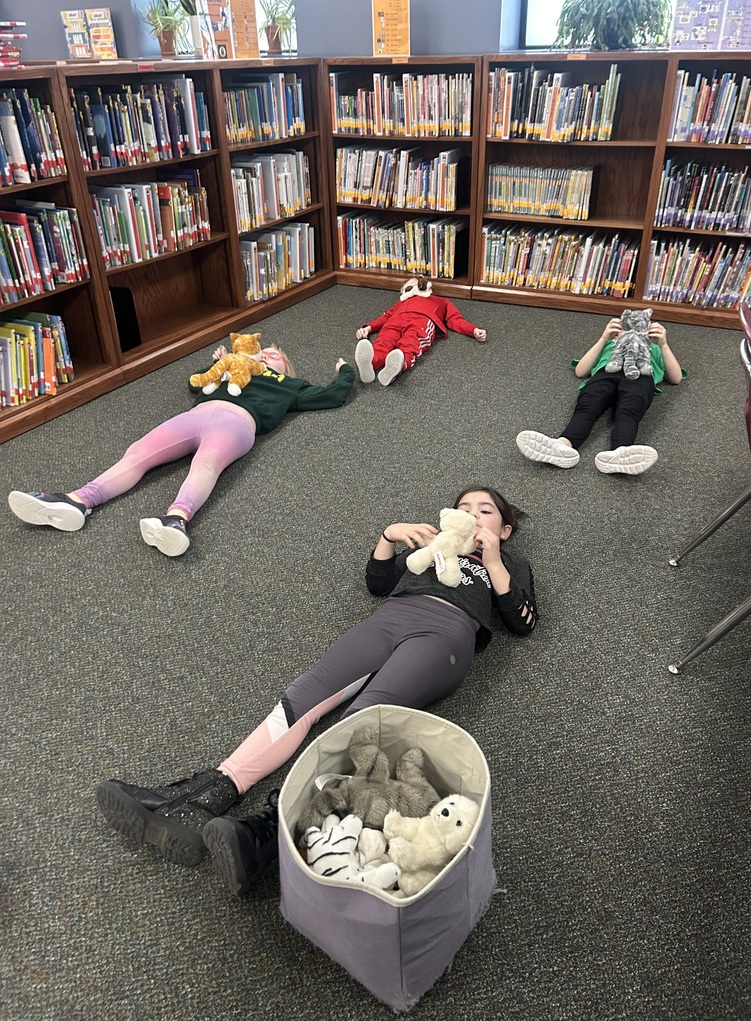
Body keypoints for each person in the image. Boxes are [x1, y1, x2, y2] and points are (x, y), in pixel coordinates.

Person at [95, 486, 538, 896]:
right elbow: (378, 584)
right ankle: (205, 796)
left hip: (446, 633)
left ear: (504, 529)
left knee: (364, 718)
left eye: (485, 512)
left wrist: (494, 560)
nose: (471, 516)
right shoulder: (428, 545)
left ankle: (271, 835)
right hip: (390, 618)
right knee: (305, 694)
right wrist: (390, 535)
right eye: (462, 509)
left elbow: (523, 622)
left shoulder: (509, 563)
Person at [7, 343, 354, 557]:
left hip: (236, 423)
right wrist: (215, 364)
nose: (265, 355)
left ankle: (177, 520)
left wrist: (344, 371)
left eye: (274, 355)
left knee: (206, 465)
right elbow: (195, 383)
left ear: (286, 368)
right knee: (138, 452)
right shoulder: (228, 374)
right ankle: (78, 500)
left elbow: (332, 395)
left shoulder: (290, 386)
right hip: (196, 415)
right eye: (260, 353)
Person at [516, 316, 684, 476]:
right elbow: (581, 370)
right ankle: (563, 445)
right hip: (607, 373)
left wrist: (663, 344)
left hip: (639, 374)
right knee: (587, 407)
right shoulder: (610, 344)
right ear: (617, 333)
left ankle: (620, 452)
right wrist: (604, 338)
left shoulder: (653, 348)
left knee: (629, 411)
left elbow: (675, 378)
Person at [354, 275, 488, 386]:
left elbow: (455, 319)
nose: (414, 287)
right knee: (383, 341)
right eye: (409, 287)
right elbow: (386, 316)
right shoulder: (401, 302)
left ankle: (398, 365)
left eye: (417, 284)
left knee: (411, 343)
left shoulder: (440, 301)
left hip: (422, 320)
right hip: (395, 320)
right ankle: (370, 364)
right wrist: (369, 327)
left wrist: (473, 330)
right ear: (404, 293)